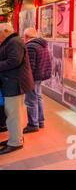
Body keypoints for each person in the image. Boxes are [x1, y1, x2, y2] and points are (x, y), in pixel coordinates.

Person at [0, 23, 34, 155]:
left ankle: (16, 142)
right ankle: (15, 137)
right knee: (12, 113)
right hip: (11, 83)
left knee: (13, 114)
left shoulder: (14, 42)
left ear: (6, 31)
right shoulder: (11, 41)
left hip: (15, 83)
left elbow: (14, 61)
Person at [23, 28, 52, 133]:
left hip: (33, 77)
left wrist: (26, 78)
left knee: (31, 100)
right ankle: (40, 121)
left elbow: (30, 65)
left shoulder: (30, 46)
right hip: (40, 76)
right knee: (38, 98)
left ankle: (33, 124)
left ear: (26, 36)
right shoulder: (42, 45)